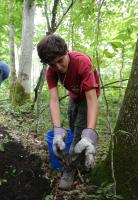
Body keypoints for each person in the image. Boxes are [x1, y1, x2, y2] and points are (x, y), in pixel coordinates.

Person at [37, 34, 100, 190]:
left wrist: (89, 134)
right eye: (52, 64)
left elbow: (92, 100)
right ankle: (79, 155)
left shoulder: (82, 62)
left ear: (66, 52)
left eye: (60, 61)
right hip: (74, 97)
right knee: (73, 126)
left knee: (81, 132)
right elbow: (53, 100)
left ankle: (70, 169)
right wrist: (57, 131)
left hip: (88, 97)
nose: (58, 67)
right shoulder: (51, 71)